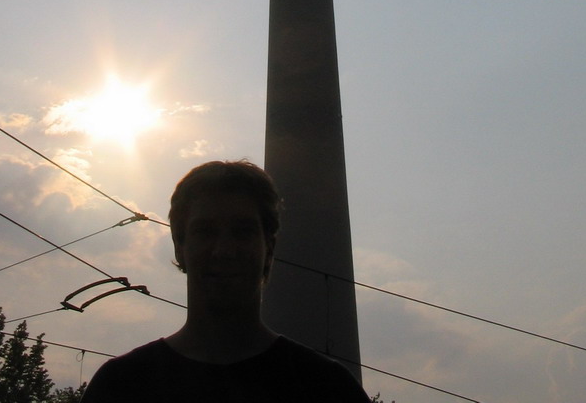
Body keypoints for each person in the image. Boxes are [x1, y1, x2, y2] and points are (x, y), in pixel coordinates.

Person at [81, 160, 370, 401]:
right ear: (179, 247)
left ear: (269, 248)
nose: (224, 250)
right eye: (206, 232)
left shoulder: (328, 389)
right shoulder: (121, 386)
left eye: (242, 232)